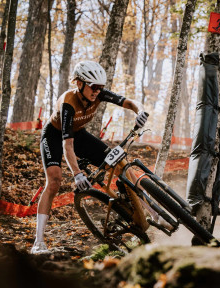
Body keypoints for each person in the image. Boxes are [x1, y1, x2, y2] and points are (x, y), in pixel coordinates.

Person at [31, 61, 149, 254]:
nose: (97, 91)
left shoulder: (98, 94)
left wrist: (140, 111)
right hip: (54, 136)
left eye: (100, 87)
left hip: (79, 135)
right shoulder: (68, 103)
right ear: (79, 84)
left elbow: (128, 102)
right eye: (93, 87)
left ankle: (150, 209)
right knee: (54, 181)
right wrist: (77, 174)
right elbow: (67, 145)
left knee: (120, 164)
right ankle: (38, 242)